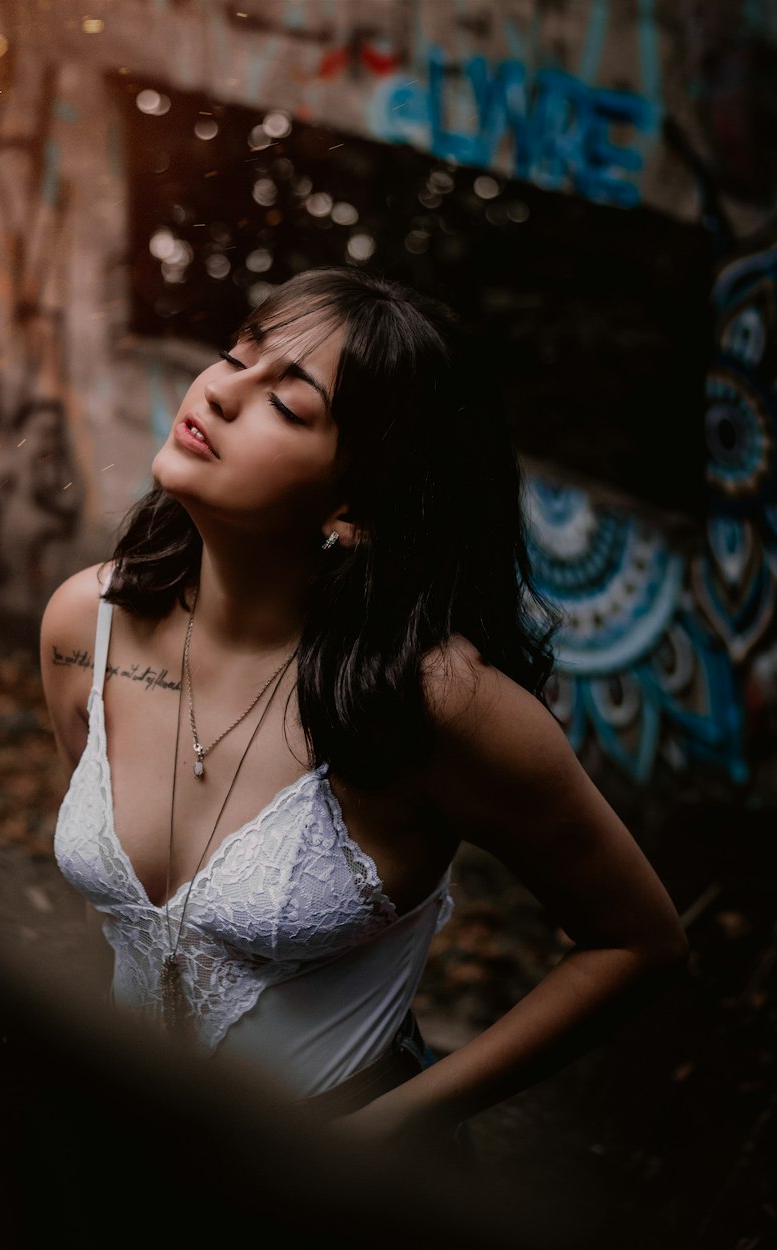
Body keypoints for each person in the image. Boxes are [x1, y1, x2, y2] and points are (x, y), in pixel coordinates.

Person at [40, 265, 688, 1155]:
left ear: (357, 502)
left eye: (289, 404)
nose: (222, 392)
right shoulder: (86, 626)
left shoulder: (435, 706)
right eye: (238, 356)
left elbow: (638, 943)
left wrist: (391, 1128)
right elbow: (108, 915)